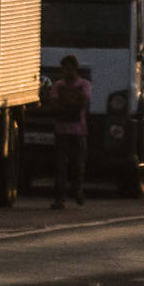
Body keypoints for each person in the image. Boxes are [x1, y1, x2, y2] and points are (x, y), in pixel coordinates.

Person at [44, 55, 92, 209]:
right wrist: (71, 105)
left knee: (77, 165)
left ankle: (77, 191)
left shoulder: (84, 84)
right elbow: (54, 104)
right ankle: (60, 198)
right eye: (65, 68)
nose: (68, 71)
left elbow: (82, 103)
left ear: (76, 68)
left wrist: (63, 106)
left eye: (70, 68)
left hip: (78, 131)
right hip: (62, 131)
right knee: (60, 166)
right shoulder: (58, 85)